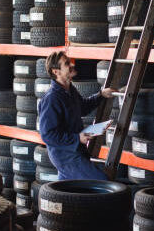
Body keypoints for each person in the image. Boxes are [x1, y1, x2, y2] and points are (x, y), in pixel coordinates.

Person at [38, 51, 115, 180]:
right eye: (67, 63)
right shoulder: (52, 98)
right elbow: (47, 135)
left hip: (75, 150)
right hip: (65, 155)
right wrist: (76, 138)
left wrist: (101, 95)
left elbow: (83, 108)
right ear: (56, 71)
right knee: (102, 182)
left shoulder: (70, 90)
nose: (72, 64)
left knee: (70, 192)